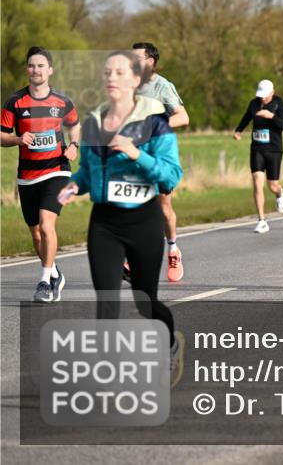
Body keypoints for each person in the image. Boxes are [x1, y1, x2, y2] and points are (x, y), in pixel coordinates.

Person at [57, 50, 184, 386]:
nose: (111, 77)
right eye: (107, 72)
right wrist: (74, 185)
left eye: (119, 72)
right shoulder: (93, 122)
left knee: (145, 303)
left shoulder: (154, 123)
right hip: (105, 223)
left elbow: (171, 175)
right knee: (107, 300)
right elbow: (88, 172)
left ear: (136, 80)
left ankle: (169, 344)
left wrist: (136, 153)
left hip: (144, 219)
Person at [1, 47, 80, 303]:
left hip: (57, 171)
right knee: (36, 233)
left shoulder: (62, 102)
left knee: (47, 225)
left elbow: (75, 125)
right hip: (27, 176)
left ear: (50, 70)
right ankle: (55, 273)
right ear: (27, 69)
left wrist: (74, 145)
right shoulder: (14, 102)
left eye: (41, 65)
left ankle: (44, 282)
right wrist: (17, 139)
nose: (36, 70)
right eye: (31, 65)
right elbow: (1, 135)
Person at [132, 42, 189, 283]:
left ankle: (173, 249)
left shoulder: (162, 86)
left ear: (150, 61)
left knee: (164, 208)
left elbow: (183, 117)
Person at [233, 79, 283, 233]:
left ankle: (279, 193)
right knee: (257, 183)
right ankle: (262, 221)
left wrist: (271, 116)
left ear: (272, 92)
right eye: (260, 95)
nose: (262, 98)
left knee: (272, 185)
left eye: (265, 95)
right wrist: (238, 131)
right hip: (257, 148)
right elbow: (247, 117)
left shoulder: (279, 104)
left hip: (274, 149)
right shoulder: (254, 103)